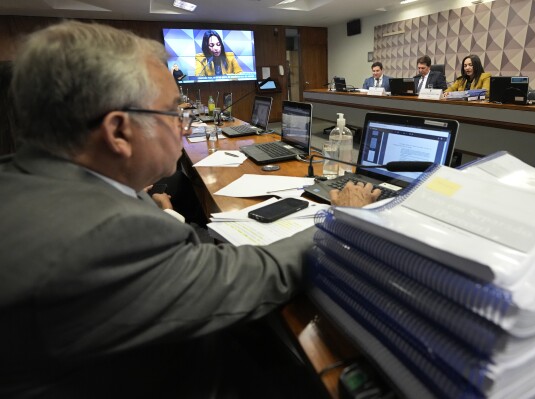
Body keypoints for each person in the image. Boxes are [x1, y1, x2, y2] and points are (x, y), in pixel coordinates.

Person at [0, 20, 381, 398]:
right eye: (172, 113)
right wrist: (342, 218)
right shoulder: (104, 234)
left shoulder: (21, 179)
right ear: (118, 132)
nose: (183, 127)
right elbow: (262, 275)